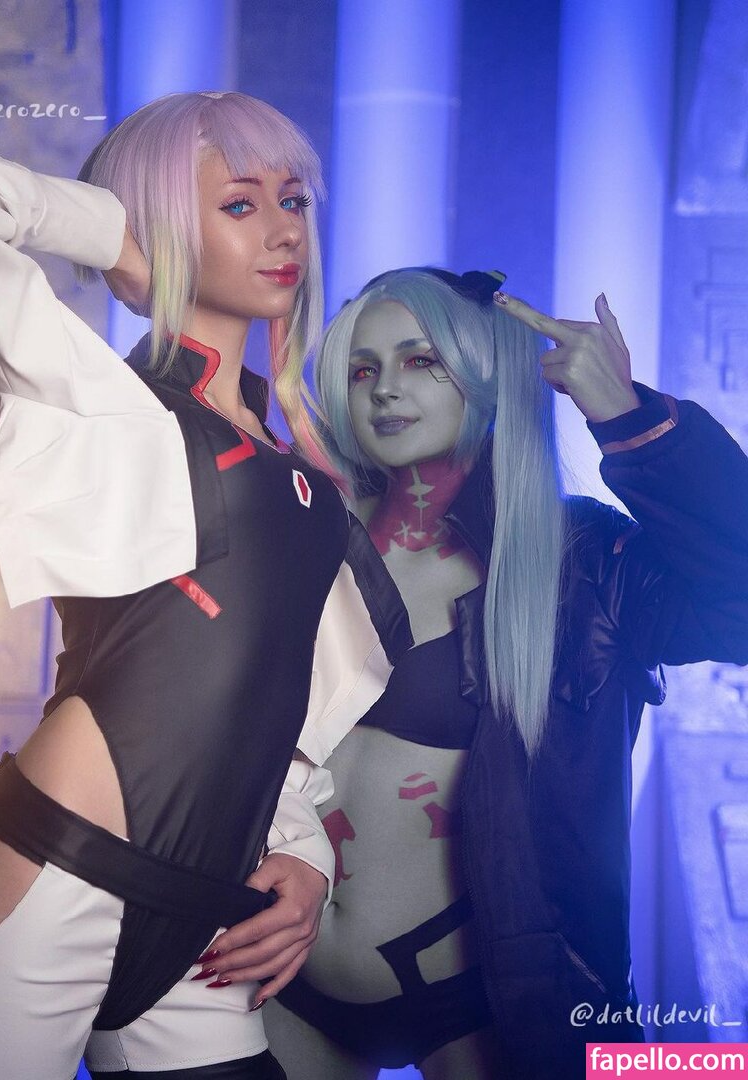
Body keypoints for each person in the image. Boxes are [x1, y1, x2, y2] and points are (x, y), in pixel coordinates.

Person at [0, 93, 407, 1080]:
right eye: (239, 204)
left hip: (210, 916)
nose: (283, 229)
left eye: (293, 199)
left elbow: (285, 698)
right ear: (161, 221)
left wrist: (304, 853)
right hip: (52, 873)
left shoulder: (306, 473)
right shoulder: (98, 400)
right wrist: (117, 238)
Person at [261, 267, 748, 1079]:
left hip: (485, 995)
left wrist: (630, 419)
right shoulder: (304, 533)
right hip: (285, 972)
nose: (385, 389)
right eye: (363, 368)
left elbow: (738, 601)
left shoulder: (577, 563)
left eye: (421, 360)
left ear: (484, 372)